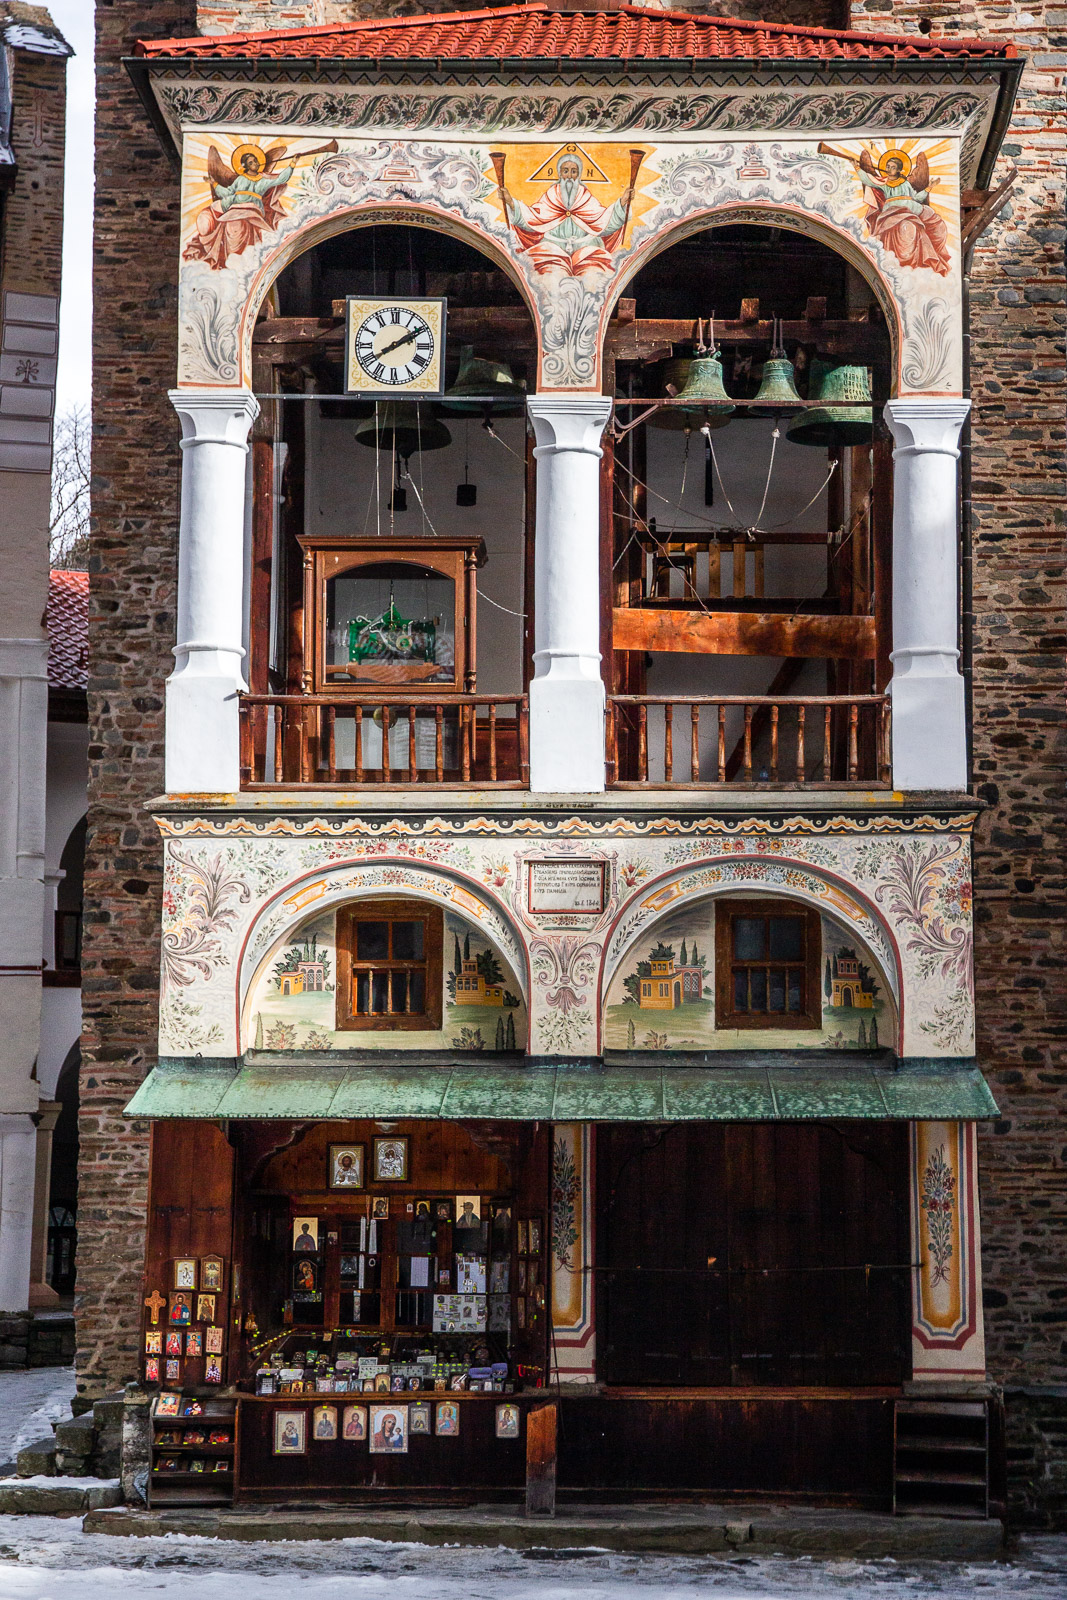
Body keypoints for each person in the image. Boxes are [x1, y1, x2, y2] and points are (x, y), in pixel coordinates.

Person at [502, 155, 633, 279]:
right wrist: (511, 203)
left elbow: (603, 222)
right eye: (565, 171)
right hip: (552, 250)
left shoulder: (585, 196)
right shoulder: (552, 195)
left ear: (579, 174)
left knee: (595, 274)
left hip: (586, 250)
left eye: (574, 171)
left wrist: (622, 203)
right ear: (560, 173)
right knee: (545, 274)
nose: (569, 176)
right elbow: (533, 218)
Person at [855, 150, 951, 276]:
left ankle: (927, 253)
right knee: (910, 226)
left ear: (899, 170)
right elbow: (868, 181)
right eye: (888, 167)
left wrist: (929, 187)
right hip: (893, 210)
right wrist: (856, 167)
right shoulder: (884, 183)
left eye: (893, 167)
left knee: (935, 222)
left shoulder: (905, 183)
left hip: (911, 207)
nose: (889, 169)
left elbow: (916, 197)